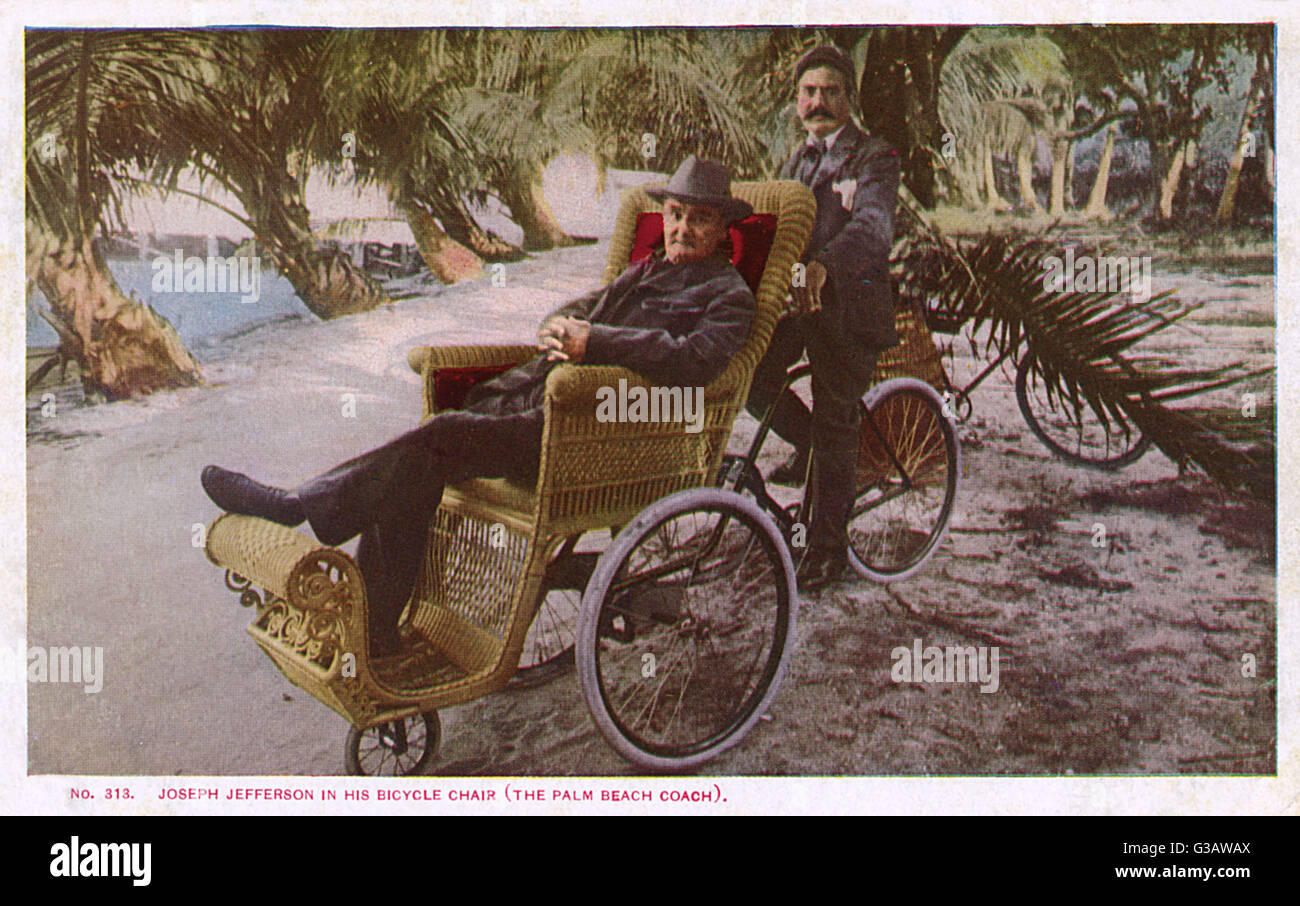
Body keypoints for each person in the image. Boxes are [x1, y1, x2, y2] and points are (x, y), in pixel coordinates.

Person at [202, 156, 757, 657]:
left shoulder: (728, 296)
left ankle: (301, 506)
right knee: (417, 468)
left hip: (596, 436)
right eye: (676, 214)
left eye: (699, 219)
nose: (682, 228)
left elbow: (697, 364)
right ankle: (376, 631)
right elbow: (574, 311)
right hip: (542, 408)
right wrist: (560, 327)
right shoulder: (646, 270)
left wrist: (599, 344)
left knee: (438, 438)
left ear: (723, 228)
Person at [745, 44, 902, 590]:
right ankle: (812, 445)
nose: (819, 102)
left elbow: (872, 228)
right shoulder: (795, 160)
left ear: (849, 99)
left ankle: (828, 549)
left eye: (831, 92)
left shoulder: (875, 158)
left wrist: (823, 267)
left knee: (837, 416)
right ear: (796, 102)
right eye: (809, 93)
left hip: (849, 307)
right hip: (795, 305)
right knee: (752, 378)